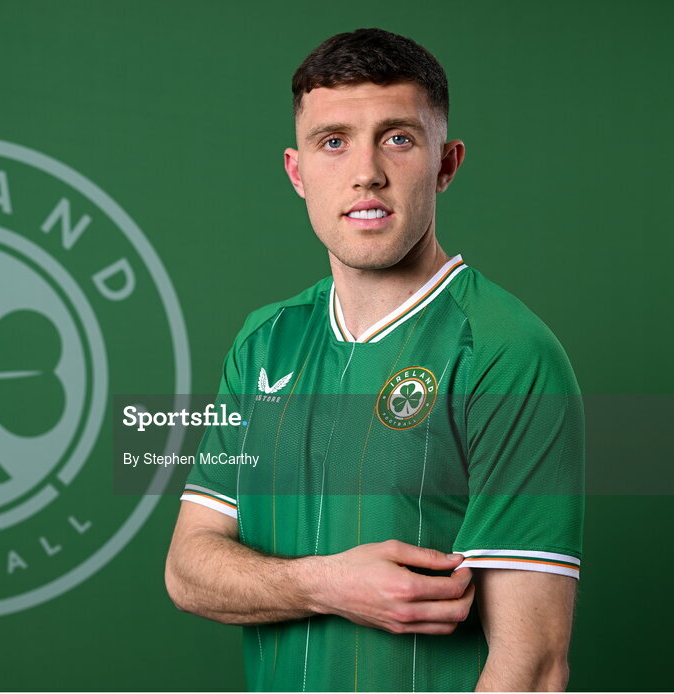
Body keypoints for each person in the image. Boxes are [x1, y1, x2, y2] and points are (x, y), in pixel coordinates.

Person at [164, 28, 584, 692]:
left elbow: (531, 667)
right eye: (333, 142)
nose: (366, 172)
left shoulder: (507, 354)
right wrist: (327, 584)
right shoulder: (265, 341)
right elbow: (188, 569)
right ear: (297, 172)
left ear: (445, 163)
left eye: (397, 138)